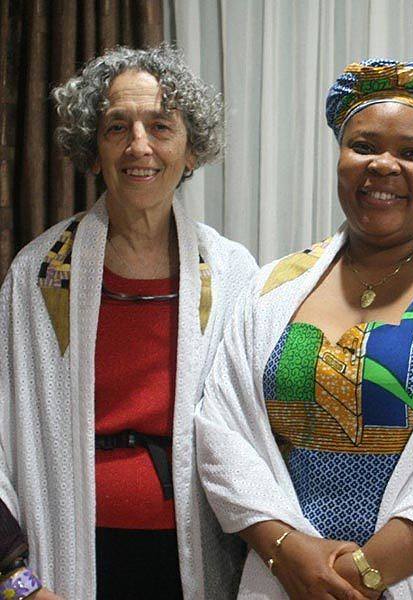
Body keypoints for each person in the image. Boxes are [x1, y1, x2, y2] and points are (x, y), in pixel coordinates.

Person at [195, 59, 413, 599]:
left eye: (412, 153)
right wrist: (287, 555)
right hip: (284, 578)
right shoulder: (273, 286)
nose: (383, 165)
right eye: (363, 146)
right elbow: (223, 432)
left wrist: (357, 577)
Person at [0, 44, 257, 599]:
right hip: (66, 555)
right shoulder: (38, 276)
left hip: (195, 556)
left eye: (161, 126)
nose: (139, 145)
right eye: (118, 127)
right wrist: (15, 581)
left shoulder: (234, 272)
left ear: (192, 151)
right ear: (93, 150)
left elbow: (257, 431)